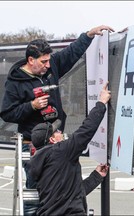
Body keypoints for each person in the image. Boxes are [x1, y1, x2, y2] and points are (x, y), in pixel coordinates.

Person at [0, 25, 114, 215]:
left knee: (63, 187)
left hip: (56, 140)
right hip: (35, 145)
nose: (47, 65)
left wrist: (87, 35)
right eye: (43, 62)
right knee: (36, 195)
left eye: (48, 61)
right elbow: (7, 113)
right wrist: (32, 106)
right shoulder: (15, 82)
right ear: (31, 60)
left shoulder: (52, 65)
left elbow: (71, 53)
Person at [26, 81, 111, 215]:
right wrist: (101, 103)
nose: (60, 132)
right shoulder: (61, 151)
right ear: (52, 140)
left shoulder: (40, 162)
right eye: (56, 132)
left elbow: (72, 194)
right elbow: (86, 131)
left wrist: (96, 176)